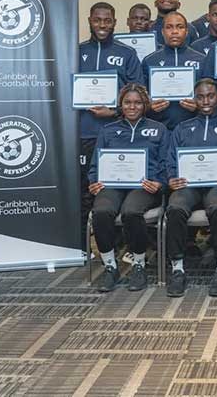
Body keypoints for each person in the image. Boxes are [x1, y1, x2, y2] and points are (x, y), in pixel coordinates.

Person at [88, 83, 169, 292]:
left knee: (131, 211)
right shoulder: (108, 130)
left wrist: (159, 182)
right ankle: (110, 266)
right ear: (121, 105)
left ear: (145, 105)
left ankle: (139, 264)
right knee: (101, 211)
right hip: (112, 185)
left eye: (137, 103)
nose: (132, 107)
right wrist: (95, 181)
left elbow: (168, 163)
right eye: (127, 103)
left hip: (145, 186)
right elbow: (96, 164)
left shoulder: (159, 129)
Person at [165, 79, 217, 298]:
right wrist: (171, 178)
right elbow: (171, 161)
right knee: (175, 208)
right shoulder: (182, 128)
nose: (206, 101)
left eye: (210, 96)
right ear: (195, 99)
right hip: (188, 186)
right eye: (200, 96)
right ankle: (178, 269)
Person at [79, 2, 144, 245]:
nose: (102, 25)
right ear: (90, 20)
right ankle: (83, 246)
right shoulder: (77, 51)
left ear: (115, 22)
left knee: (119, 185)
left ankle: (119, 243)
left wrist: (114, 111)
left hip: (117, 134)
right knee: (87, 191)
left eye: (107, 21)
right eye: (98, 20)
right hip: (84, 132)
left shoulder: (126, 53)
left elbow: (138, 91)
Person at [142, 11, 205, 130]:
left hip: (193, 128)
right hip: (158, 128)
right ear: (162, 32)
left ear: (186, 31)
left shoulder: (201, 59)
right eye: (169, 27)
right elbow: (141, 95)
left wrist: (198, 105)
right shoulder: (149, 60)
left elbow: (209, 94)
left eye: (180, 27)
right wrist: (149, 106)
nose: (174, 31)